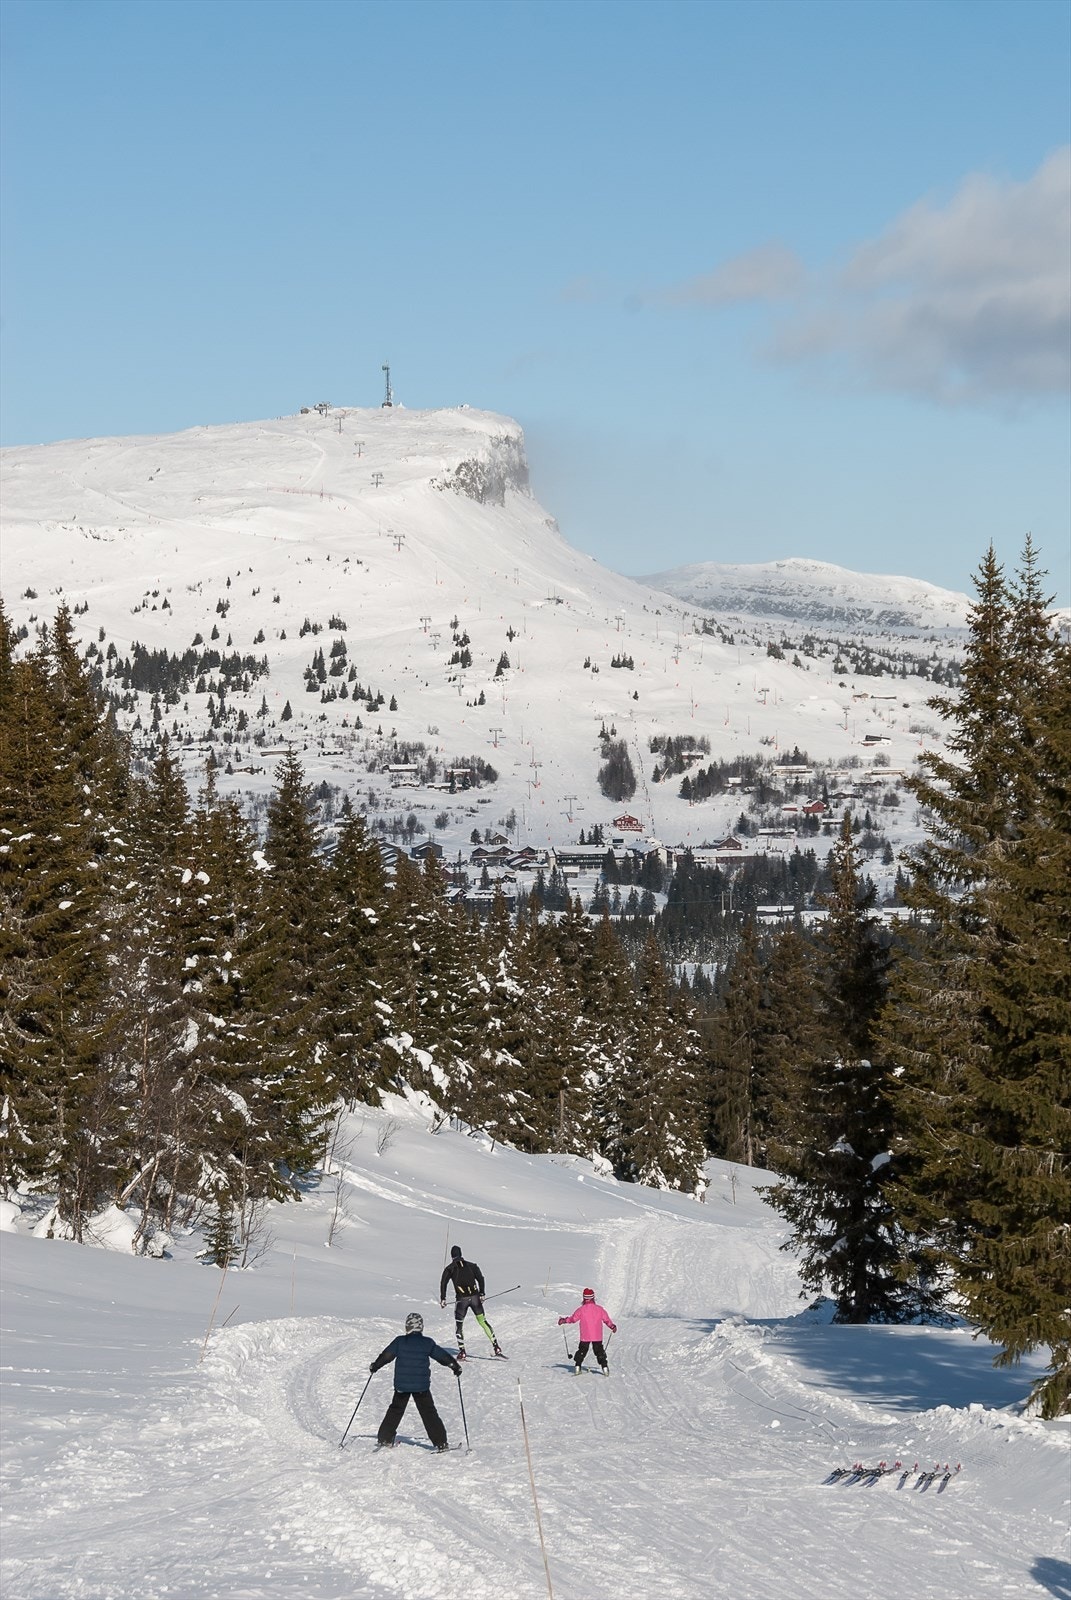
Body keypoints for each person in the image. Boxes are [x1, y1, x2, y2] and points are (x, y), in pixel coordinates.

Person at [369, 1311, 461, 1450]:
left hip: (402, 1385)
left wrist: (375, 1366)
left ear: (407, 1327)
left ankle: (385, 1438)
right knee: (428, 1413)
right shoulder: (427, 1343)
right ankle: (440, 1442)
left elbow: (387, 1355)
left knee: (395, 1410)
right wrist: (454, 1366)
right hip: (421, 1387)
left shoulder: (399, 1341)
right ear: (421, 1327)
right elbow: (442, 1356)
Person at [439, 1244, 505, 1359]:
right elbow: (481, 1278)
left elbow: (443, 1282)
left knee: (459, 1325)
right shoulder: (472, 1266)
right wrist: (482, 1293)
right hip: (475, 1298)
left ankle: (462, 1352)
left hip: (461, 1301)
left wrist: (443, 1299)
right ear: (461, 1254)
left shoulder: (449, 1268)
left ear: (452, 1256)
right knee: (483, 1322)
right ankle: (496, 1347)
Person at [559, 1287, 617, 1374]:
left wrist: (564, 1320)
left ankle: (578, 1367)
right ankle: (605, 1367)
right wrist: (612, 1326)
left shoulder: (581, 1310)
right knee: (599, 1351)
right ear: (593, 1298)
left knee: (582, 1350)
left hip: (585, 1335)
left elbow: (573, 1319)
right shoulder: (599, 1309)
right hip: (597, 1336)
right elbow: (606, 1320)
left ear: (584, 1298)